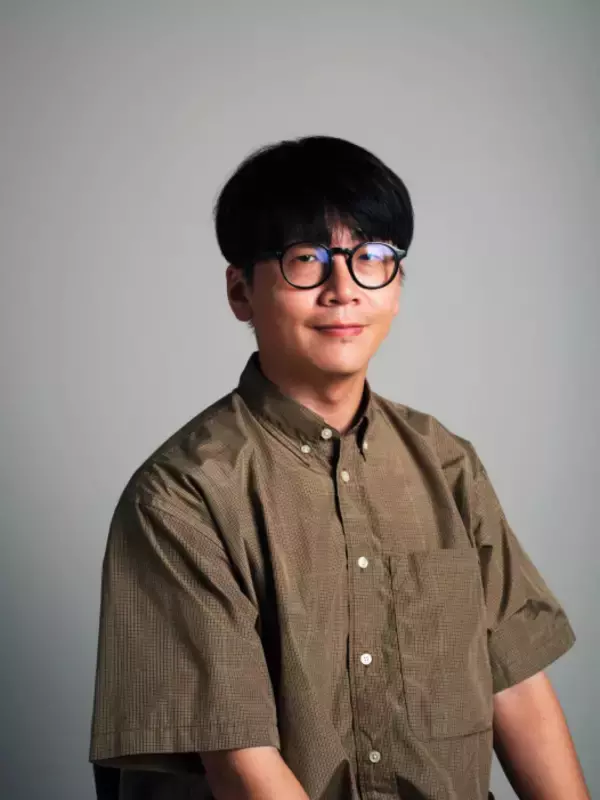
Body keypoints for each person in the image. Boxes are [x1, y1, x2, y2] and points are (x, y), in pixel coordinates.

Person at [89, 136, 589, 800]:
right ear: (240, 291)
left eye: (371, 257)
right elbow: (241, 761)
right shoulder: (182, 495)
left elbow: (516, 682)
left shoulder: (446, 462)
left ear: (398, 284)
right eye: (307, 260)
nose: (344, 290)